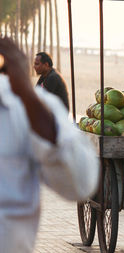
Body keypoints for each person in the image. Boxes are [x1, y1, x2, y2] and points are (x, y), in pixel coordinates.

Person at [0, 37, 99, 253]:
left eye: (38, 64)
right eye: (33, 64)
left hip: (55, 127)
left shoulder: (43, 88)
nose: (35, 67)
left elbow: (81, 184)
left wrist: (26, 95)